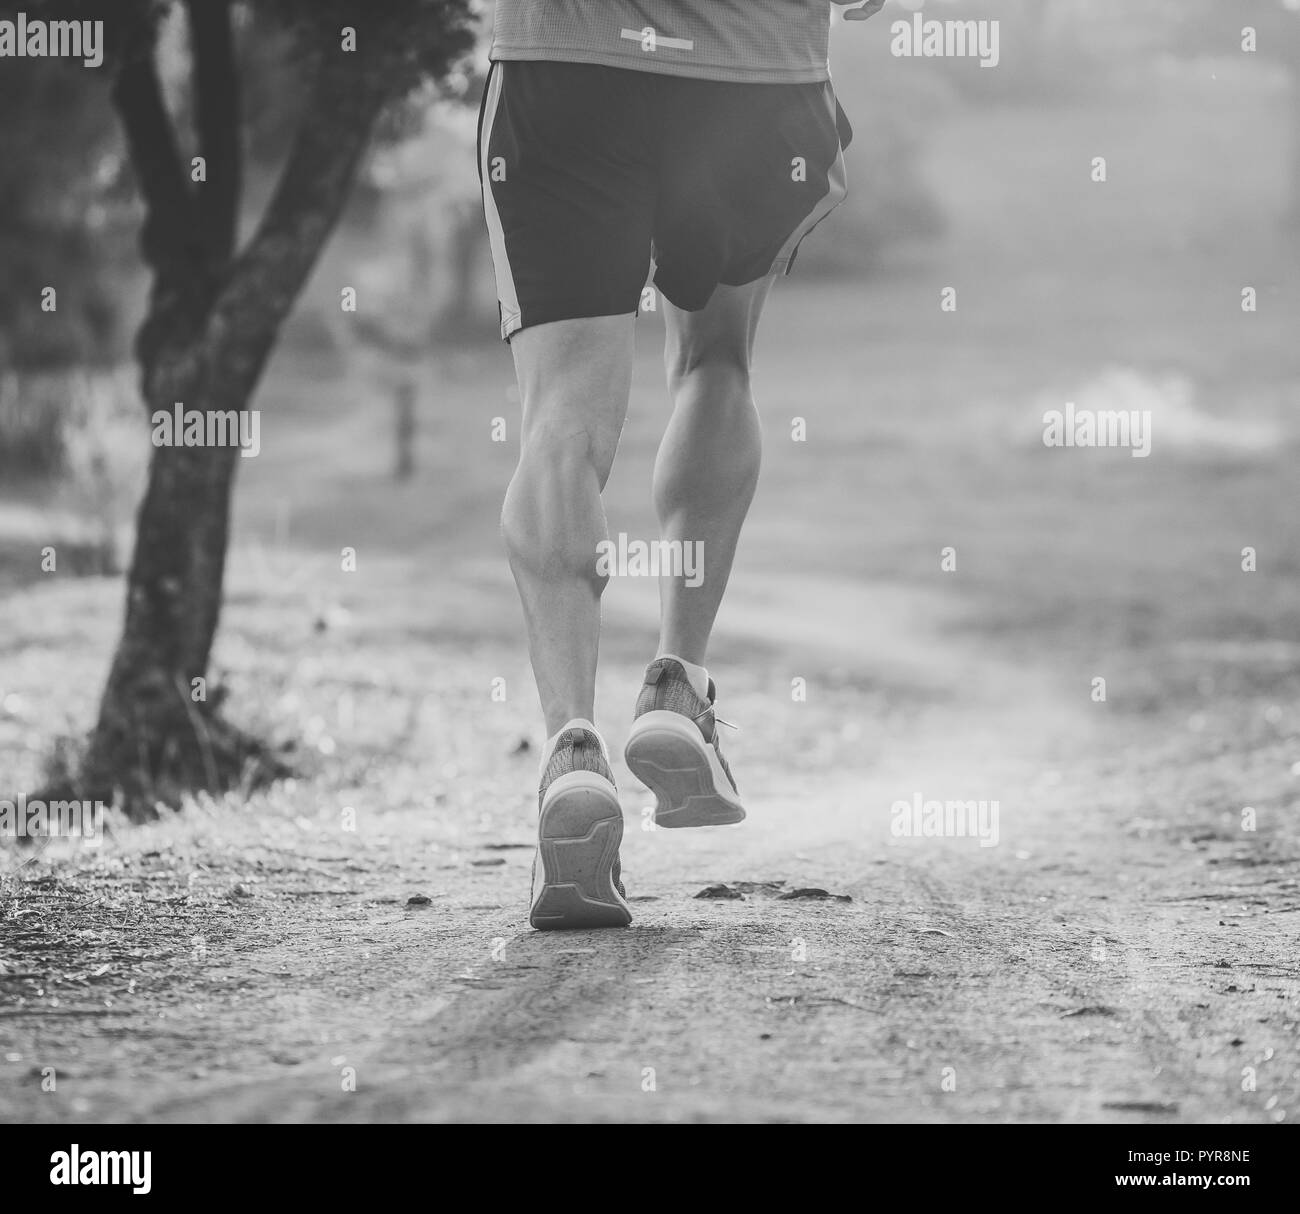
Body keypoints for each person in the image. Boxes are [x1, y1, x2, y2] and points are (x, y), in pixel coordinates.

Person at [477, 0, 882, 930]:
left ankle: (573, 751)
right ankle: (675, 685)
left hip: (565, 66)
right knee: (716, 362)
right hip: (755, 80)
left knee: (562, 419)